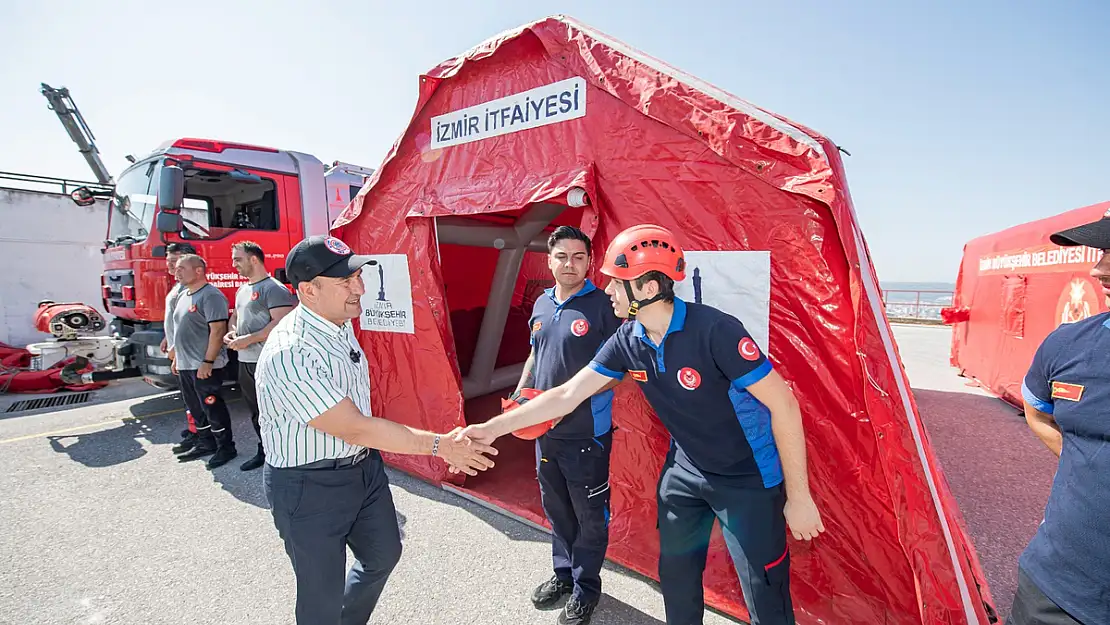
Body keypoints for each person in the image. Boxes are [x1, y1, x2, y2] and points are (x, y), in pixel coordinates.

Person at [459, 224, 825, 625]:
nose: (609, 291)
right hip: (685, 474)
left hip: (748, 481)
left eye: (617, 283)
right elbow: (566, 394)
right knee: (677, 577)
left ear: (648, 289)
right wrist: (491, 428)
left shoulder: (716, 330)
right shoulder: (627, 340)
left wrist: (800, 497)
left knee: (764, 590)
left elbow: (784, 406)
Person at [255, 235, 498, 625]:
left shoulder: (337, 324)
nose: (360, 288)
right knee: (321, 597)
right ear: (308, 291)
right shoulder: (291, 352)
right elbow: (354, 428)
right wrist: (441, 446)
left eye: (357, 277)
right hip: (307, 486)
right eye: (345, 282)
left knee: (383, 554)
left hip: (362, 470)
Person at [512, 226, 622, 625]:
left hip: (586, 434)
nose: (570, 264)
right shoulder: (541, 304)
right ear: (549, 260)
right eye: (562, 257)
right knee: (556, 508)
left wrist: (570, 400)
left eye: (578, 257)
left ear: (589, 261)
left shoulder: (603, 306)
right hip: (544, 432)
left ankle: (585, 589)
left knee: (589, 515)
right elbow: (534, 356)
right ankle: (562, 574)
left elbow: (617, 371)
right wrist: (521, 397)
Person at [1008, 210, 1110, 625]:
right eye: (1103, 251)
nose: (1099, 268)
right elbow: (1036, 413)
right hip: (1057, 591)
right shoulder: (1068, 344)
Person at [224, 241, 295, 471]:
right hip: (245, 361)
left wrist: (249, 339)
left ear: (254, 259)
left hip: (267, 363)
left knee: (276, 412)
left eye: (238, 259)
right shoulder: (242, 289)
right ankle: (265, 452)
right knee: (256, 412)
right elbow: (235, 317)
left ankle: (287, 454)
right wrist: (232, 331)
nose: (234, 264)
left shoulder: (273, 289)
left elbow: (281, 323)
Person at [171, 254, 238, 469]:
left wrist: (208, 361)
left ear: (199, 270)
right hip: (186, 365)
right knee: (196, 409)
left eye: (182, 268)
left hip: (205, 367)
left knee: (213, 408)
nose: (176, 272)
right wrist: (177, 359)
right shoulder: (184, 295)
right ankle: (205, 443)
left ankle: (225, 447)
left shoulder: (211, 295)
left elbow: (218, 331)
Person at [162, 242, 200, 455]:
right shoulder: (178, 288)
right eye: (168, 261)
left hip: (186, 353)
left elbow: (189, 324)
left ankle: (202, 434)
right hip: (179, 351)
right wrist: (167, 337)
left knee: (196, 398)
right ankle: (196, 431)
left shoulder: (190, 289)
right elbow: (176, 320)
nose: (171, 266)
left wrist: (176, 350)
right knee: (189, 398)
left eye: (175, 261)